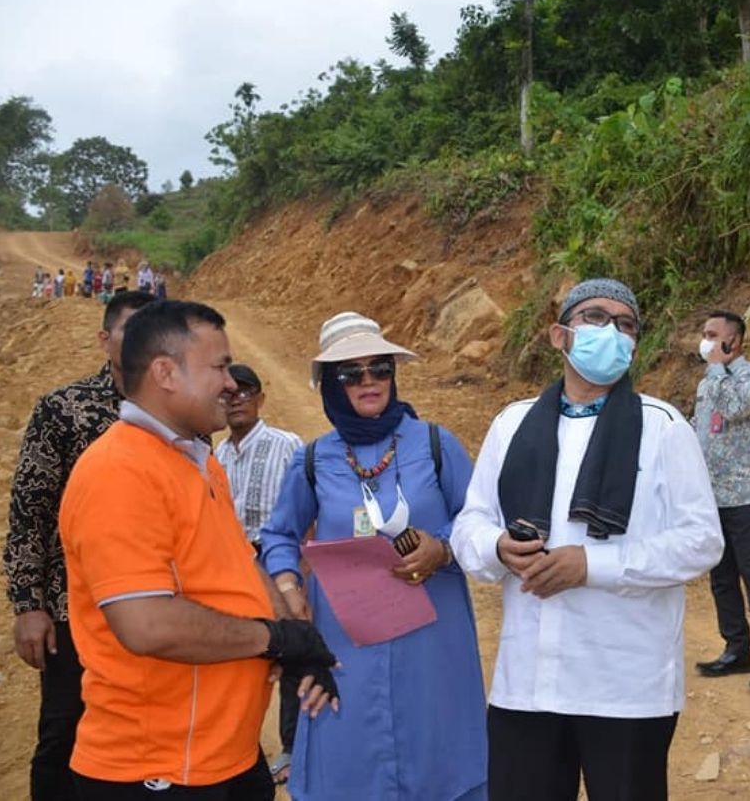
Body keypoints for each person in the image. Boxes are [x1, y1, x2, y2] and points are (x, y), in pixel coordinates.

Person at [451, 278, 724, 801]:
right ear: (560, 336)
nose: (612, 332)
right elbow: (471, 524)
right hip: (529, 683)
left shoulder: (662, 427)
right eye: (596, 318)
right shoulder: (513, 425)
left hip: (625, 687)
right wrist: (497, 549)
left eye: (626, 325)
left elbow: (701, 540)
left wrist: (593, 565)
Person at [58, 299, 339, 799]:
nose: (231, 383)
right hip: (155, 769)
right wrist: (272, 640)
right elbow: (146, 623)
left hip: (224, 757)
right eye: (220, 366)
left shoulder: (199, 463)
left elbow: (240, 564)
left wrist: (297, 639)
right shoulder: (118, 472)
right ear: (165, 373)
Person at [260, 311, 488, 800]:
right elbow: (279, 534)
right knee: (350, 761)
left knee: (439, 755)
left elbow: (479, 523)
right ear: (329, 385)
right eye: (351, 373)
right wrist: (287, 586)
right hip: (347, 645)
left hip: (432, 639)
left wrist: (442, 548)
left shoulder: (435, 445)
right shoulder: (313, 460)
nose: (369, 381)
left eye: (379, 368)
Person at [3, 290, 157, 801]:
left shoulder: (179, 414)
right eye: (130, 332)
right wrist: (29, 605)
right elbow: (30, 510)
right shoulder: (64, 409)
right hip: (76, 612)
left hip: (158, 609)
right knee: (64, 733)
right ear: (104, 340)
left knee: (145, 733)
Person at [214, 363, 303, 784]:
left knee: (290, 651)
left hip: (276, 561)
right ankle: (239, 746)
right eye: (229, 394)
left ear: (261, 399)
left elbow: (305, 509)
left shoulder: (287, 445)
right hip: (231, 568)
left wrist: (297, 570)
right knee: (238, 657)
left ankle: (292, 747)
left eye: (246, 393)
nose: (237, 401)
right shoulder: (216, 454)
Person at [692, 309, 750, 694]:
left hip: (744, 495)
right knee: (721, 577)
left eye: (713, 335)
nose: (706, 340)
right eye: (705, 333)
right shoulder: (706, 382)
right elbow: (700, 430)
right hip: (711, 497)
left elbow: (734, 408)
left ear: (734, 342)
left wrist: (718, 369)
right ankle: (736, 649)